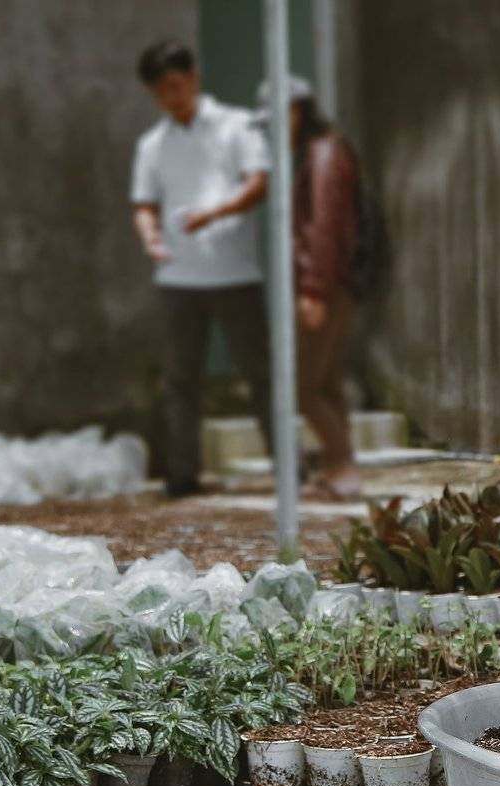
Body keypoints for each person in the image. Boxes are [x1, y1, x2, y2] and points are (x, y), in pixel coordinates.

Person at [130, 39, 274, 499]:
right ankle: (182, 473)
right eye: (160, 91)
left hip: (235, 272)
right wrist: (150, 236)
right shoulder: (152, 144)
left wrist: (212, 214)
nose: (171, 97)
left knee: (260, 373)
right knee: (180, 380)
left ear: (194, 77)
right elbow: (144, 204)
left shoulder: (237, 125)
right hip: (177, 278)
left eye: (176, 85)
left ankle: (286, 463)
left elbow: (259, 183)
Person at [257, 75, 361, 501]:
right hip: (331, 283)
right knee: (327, 382)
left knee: (301, 387)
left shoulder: (323, 155)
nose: (271, 130)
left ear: (295, 111)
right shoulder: (320, 152)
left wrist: (314, 289)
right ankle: (340, 471)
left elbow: (325, 225)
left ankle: (344, 468)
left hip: (325, 285)